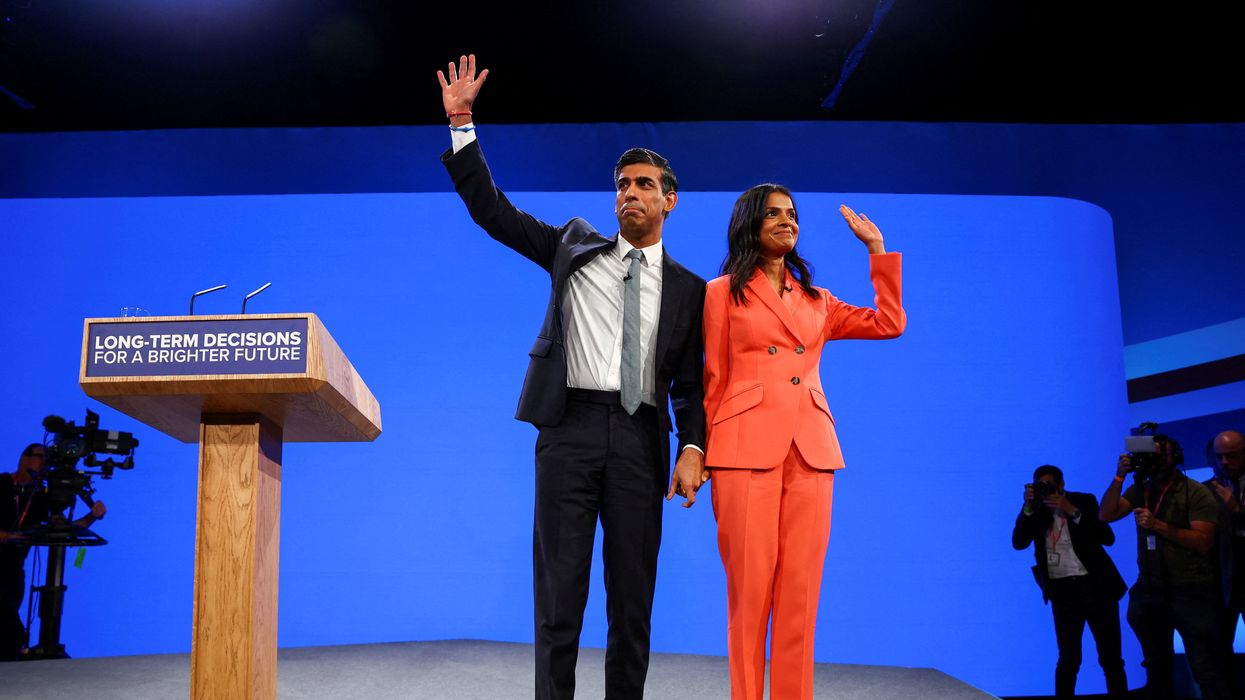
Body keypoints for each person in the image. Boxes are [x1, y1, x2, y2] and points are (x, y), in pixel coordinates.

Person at [437, 55, 707, 699]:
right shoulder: (571, 248)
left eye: (643, 184)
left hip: (643, 441)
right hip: (570, 433)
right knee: (559, 601)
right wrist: (462, 123)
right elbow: (492, 212)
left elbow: (693, 384)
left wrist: (694, 447)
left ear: (670, 200)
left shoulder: (693, 291)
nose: (628, 193)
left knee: (631, 606)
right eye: (621, 183)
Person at [701, 184, 905, 699]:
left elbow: (889, 323)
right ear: (749, 222)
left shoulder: (817, 300)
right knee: (750, 598)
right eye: (773, 213)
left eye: (792, 214)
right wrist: (700, 452)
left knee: (799, 597)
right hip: (743, 451)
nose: (786, 221)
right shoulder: (721, 292)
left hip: (810, 453)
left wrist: (876, 251)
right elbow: (712, 378)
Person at [1100, 436, 1232, 699]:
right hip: (1150, 591)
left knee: (1205, 668)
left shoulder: (1196, 492)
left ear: (1176, 458)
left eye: (1162, 455)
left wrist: (1157, 525)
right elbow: (1106, 514)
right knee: (1156, 670)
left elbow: (1204, 542)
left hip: (1191, 590)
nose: (1156, 462)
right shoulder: (1141, 490)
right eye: (1152, 456)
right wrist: (1119, 478)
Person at [1012, 464, 1128, 698]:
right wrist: (1027, 507)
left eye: (1049, 484)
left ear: (1062, 484)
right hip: (1062, 592)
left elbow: (1107, 538)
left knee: (1110, 658)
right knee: (1068, 659)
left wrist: (1071, 510)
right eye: (1039, 485)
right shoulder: (1035, 510)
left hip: (1097, 588)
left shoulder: (1084, 501)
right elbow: (1019, 542)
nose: (1045, 489)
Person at [0, 443, 106, 661]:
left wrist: (93, 516)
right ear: (23, 458)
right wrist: (11, 537)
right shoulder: (2, 484)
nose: (44, 462)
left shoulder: (40, 497)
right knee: (9, 625)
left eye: (47, 458)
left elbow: (64, 528)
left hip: (13, 571)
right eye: (39, 456)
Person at [1205, 430, 1244, 678]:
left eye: (1231, 456)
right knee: (1219, 651)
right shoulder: (1205, 490)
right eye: (1219, 457)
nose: (1224, 462)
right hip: (1219, 580)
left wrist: (1237, 509)